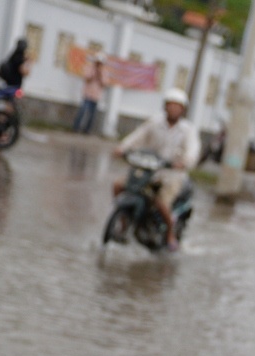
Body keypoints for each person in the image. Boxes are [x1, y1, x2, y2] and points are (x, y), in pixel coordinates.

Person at [112, 88, 200, 250]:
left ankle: (170, 234)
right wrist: (122, 148)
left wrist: (184, 162)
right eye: (170, 105)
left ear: (182, 110)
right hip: (149, 170)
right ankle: (124, 222)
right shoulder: (155, 123)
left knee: (161, 202)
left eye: (177, 106)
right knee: (119, 185)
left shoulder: (187, 130)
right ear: (165, 106)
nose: (173, 109)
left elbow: (192, 151)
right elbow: (137, 137)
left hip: (172, 175)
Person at [71, 56, 105, 134]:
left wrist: (99, 74)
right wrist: (94, 72)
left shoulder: (103, 72)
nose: (98, 64)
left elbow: (104, 84)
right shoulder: (90, 68)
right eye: (97, 63)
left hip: (96, 96)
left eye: (100, 63)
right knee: (82, 111)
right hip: (87, 94)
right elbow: (87, 79)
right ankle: (76, 127)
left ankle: (87, 130)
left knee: (92, 115)